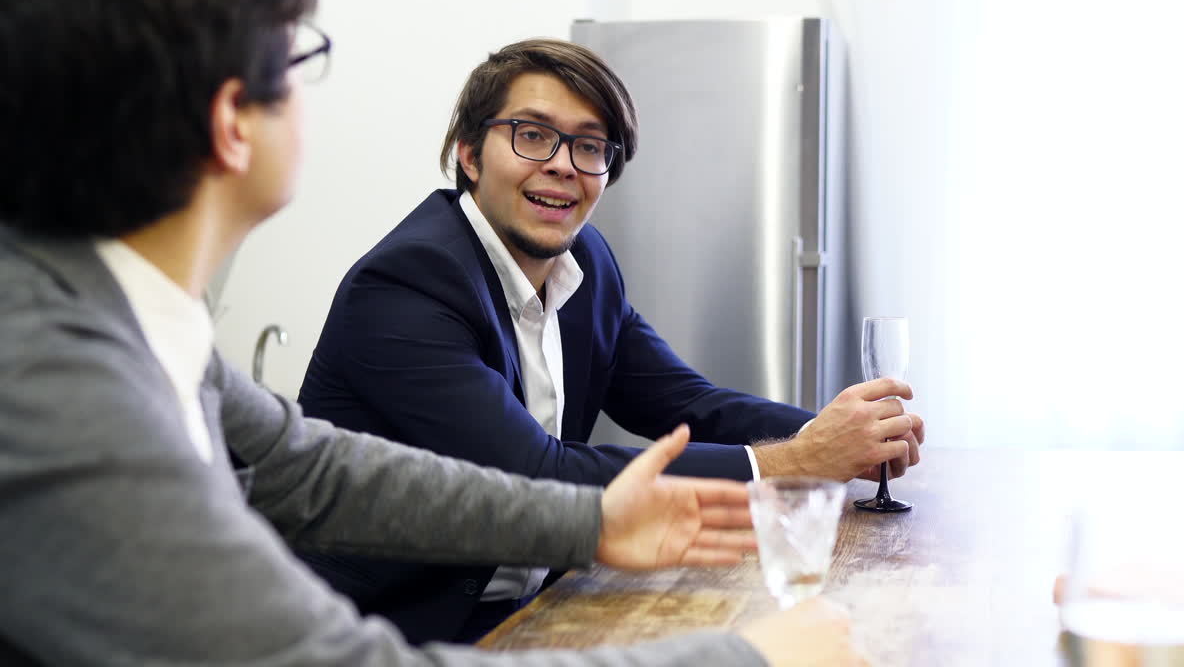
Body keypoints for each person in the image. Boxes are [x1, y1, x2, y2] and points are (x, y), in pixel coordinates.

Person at [0, 0, 867, 665]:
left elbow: (308, 465)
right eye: (302, 60)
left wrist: (592, 519)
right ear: (234, 120)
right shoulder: (60, 384)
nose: (564, 166)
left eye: (590, 148)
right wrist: (748, 658)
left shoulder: (127, 319)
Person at [297, 38, 926, 644]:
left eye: (590, 146)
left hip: (535, 609)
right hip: (387, 632)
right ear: (468, 153)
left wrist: (840, 438)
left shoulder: (585, 262)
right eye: (532, 134)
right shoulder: (407, 284)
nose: (564, 164)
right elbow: (535, 474)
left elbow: (687, 406)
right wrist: (796, 461)